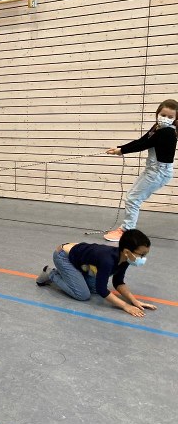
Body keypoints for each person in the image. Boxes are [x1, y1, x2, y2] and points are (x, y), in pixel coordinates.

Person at [36, 229, 157, 317]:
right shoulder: (108, 261)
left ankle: (73, 275)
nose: (143, 258)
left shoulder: (125, 259)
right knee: (82, 294)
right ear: (127, 252)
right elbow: (102, 290)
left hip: (80, 259)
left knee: (93, 289)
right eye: (141, 255)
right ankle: (51, 273)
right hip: (63, 256)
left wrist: (134, 301)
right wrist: (126, 306)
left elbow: (118, 282)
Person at [103, 99, 177, 242]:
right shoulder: (157, 128)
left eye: (170, 117)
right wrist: (120, 148)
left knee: (133, 199)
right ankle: (126, 228)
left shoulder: (167, 132)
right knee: (131, 196)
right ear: (157, 113)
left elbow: (144, 145)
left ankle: (127, 231)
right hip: (152, 170)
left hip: (159, 172)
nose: (165, 119)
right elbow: (141, 141)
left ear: (175, 119)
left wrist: (122, 151)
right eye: (163, 115)